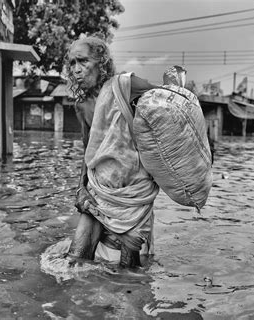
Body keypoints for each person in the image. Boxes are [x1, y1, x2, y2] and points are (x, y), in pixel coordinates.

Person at [65, 36, 160, 268]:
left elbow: (167, 105)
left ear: (101, 61)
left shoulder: (127, 87)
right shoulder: (82, 104)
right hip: (99, 191)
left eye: (82, 61)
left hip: (133, 194)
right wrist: (81, 190)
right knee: (74, 261)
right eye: (71, 63)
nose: (76, 70)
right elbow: (89, 151)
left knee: (129, 273)